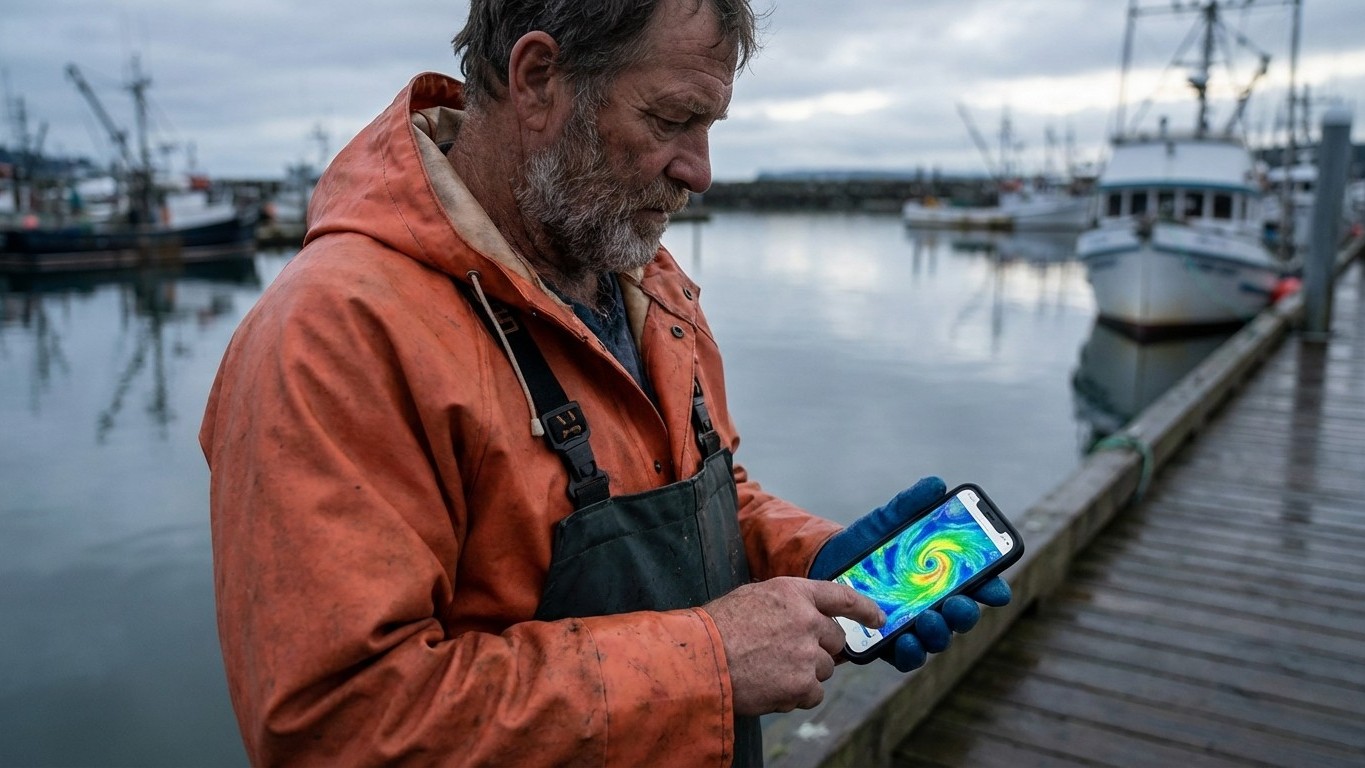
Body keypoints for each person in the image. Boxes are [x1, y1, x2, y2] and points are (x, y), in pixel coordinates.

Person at [200, 1, 1010, 765]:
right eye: (670, 120)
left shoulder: (641, 274)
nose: (700, 172)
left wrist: (811, 558)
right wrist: (711, 664)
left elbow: (697, 481)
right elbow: (337, 728)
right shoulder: (330, 336)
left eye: (709, 125)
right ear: (539, 79)